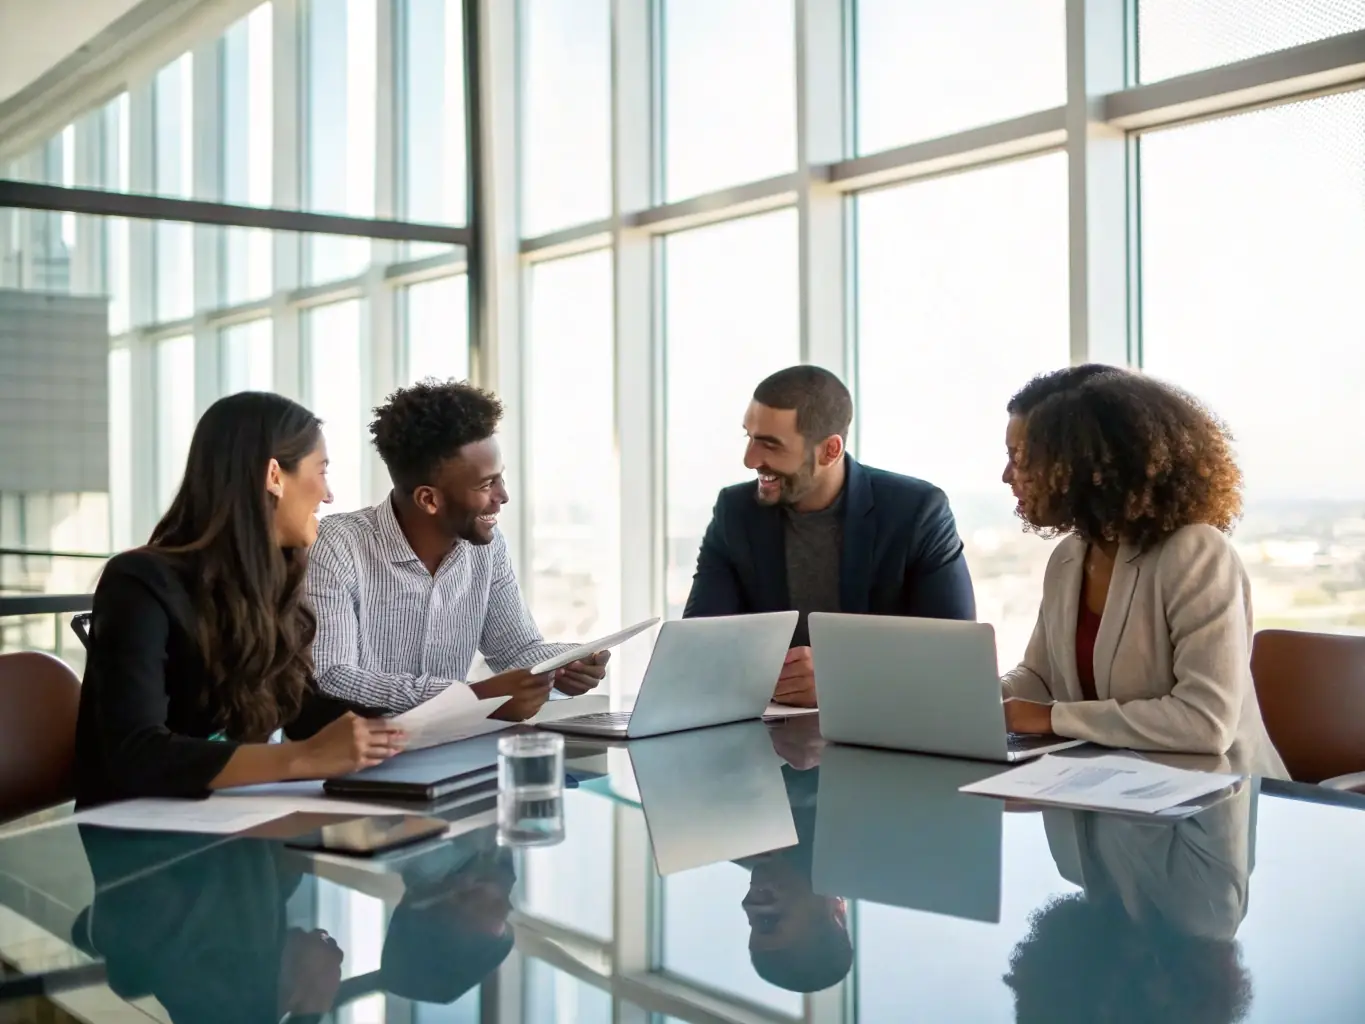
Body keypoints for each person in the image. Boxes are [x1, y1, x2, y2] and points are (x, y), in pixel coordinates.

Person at [75, 392, 406, 808]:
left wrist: (397, 729)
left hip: (233, 823)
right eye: (321, 471)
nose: (328, 495)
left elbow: (297, 706)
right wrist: (303, 757)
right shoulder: (138, 583)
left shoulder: (271, 578)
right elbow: (136, 753)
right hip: (141, 841)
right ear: (274, 476)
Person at [999, 367, 1287, 776]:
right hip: (1110, 794)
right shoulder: (1069, 558)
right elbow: (1040, 678)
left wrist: (1052, 719)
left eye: (1020, 459)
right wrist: (981, 698)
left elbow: (1205, 723)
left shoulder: (1195, 554)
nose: (1008, 477)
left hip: (1214, 802)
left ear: (1085, 464)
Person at [307, 380, 607, 719]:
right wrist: (469, 697)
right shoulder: (336, 545)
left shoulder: (486, 548)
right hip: (356, 756)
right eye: (486, 484)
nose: (503, 496)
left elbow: (516, 650)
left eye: (500, 478)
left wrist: (564, 664)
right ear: (429, 499)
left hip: (452, 747)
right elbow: (332, 677)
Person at [684, 365, 976, 707]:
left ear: (830, 451)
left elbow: (957, 656)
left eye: (770, 445)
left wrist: (842, 680)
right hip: (768, 734)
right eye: (748, 436)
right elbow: (697, 649)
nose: (750, 460)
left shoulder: (916, 512)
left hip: (884, 730)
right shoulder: (735, 511)